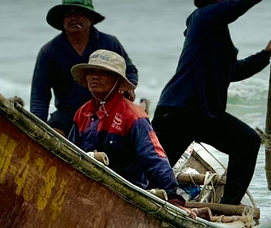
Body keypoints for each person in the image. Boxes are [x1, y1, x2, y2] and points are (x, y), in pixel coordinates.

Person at [152, 0, 271, 206]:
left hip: (206, 114)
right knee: (154, 172)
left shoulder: (220, 37)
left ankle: (228, 206)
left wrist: (265, 55)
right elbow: (238, 5)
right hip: (179, 110)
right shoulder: (203, 18)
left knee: (247, 142)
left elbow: (233, 71)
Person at [68, 50, 184, 201]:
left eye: (103, 73)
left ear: (117, 80)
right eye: (91, 72)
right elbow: (70, 153)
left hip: (127, 194)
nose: (95, 77)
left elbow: (154, 158)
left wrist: (173, 196)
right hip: (87, 189)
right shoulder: (82, 113)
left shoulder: (133, 117)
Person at [30, 0, 138, 133]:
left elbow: (130, 70)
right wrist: (37, 127)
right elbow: (39, 95)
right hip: (68, 115)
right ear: (62, 20)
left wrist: (128, 86)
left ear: (91, 19)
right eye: (68, 14)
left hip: (107, 112)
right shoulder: (49, 51)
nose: (74, 18)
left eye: (80, 13)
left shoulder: (109, 43)